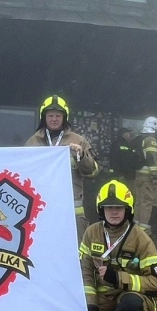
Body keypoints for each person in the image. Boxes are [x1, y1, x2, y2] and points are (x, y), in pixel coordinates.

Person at [80, 180, 157, 311]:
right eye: (109, 207)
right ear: (101, 209)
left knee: (130, 307)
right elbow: (84, 271)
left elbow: (156, 283)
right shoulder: (91, 232)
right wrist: (90, 305)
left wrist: (118, 278)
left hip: (130, 296)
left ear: (128, 209)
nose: (114, 212)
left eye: (119, 207)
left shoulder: (141, 238)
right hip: (102, 296)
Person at [25, 95, 100, 240]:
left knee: (76, 251)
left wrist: (81, 156)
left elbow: (94, 172)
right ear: (44, 117)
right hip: (41, 209)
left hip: (71, 211)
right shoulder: (33, 142)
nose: (54, 119)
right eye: (50, 115)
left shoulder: (78, 141)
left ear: (64, 118)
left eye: (58, 116)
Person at [130, 117, 157, 232]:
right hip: (147, 176)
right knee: (146, 202)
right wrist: (154, 174)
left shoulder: (139, 138)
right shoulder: (150, 140)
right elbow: (151, 157)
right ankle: (143, 229)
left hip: (138, 175)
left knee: (139, 201)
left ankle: (136, 225)